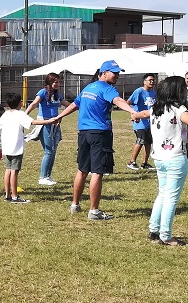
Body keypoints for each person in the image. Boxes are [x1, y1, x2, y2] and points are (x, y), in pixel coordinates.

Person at [132, 76, 188, 246]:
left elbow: (144, 113)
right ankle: (165, 235)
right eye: (183, 88)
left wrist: (136, 115)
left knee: (163, 193)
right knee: (171, 198)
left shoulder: (156, 108)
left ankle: (154, 230)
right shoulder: (179, 108)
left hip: (159, 158)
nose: (186, 91)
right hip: (175, 158)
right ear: (177, 90)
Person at [53, 60, 138, 221]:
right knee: (97, 172)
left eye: (118, 72)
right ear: (104, 73)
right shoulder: (107, 89)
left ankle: (75, 205)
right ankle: (94, 211)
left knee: (82, 170)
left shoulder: (88, 87)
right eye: (114, 72)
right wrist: (132, 111)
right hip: (100, 133)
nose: (117, 75)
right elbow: (118, 101)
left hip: (84, 133)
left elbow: (74, 105)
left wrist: (59, 116)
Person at [0, 92, 56, 203]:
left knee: (8, 169)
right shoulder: (20, 114)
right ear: (19, 103)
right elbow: (33, 122)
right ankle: (15, 196)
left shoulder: (6, 114)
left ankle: (7, 195)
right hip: (16, 147)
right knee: (14, 171)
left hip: (7, 146)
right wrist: (49, 121)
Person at [25, 72, 70, 186]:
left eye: (59, 82)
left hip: (55, 125)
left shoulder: (57, 94)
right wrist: (25, 114)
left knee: (53, 151)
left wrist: (80, 106)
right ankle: (42, 177)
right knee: (49, 151)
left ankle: (48, 176)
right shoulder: (43, 92)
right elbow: (34, 104)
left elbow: (66, 104)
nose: (58, 84)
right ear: (49, 82)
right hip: (45, 124)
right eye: (56, 82)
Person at [127, 73, 157, 171]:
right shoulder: (139, 91)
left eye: (153, 80)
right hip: (140, 122)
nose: (152, 82)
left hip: (150, 122)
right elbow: (128, 102)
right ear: (144, 81)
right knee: (140, 140)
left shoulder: (153, 93)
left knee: (148, 143)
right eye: (150, 80)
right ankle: (132, 162)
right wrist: (133, 113)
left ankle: (145, 163)